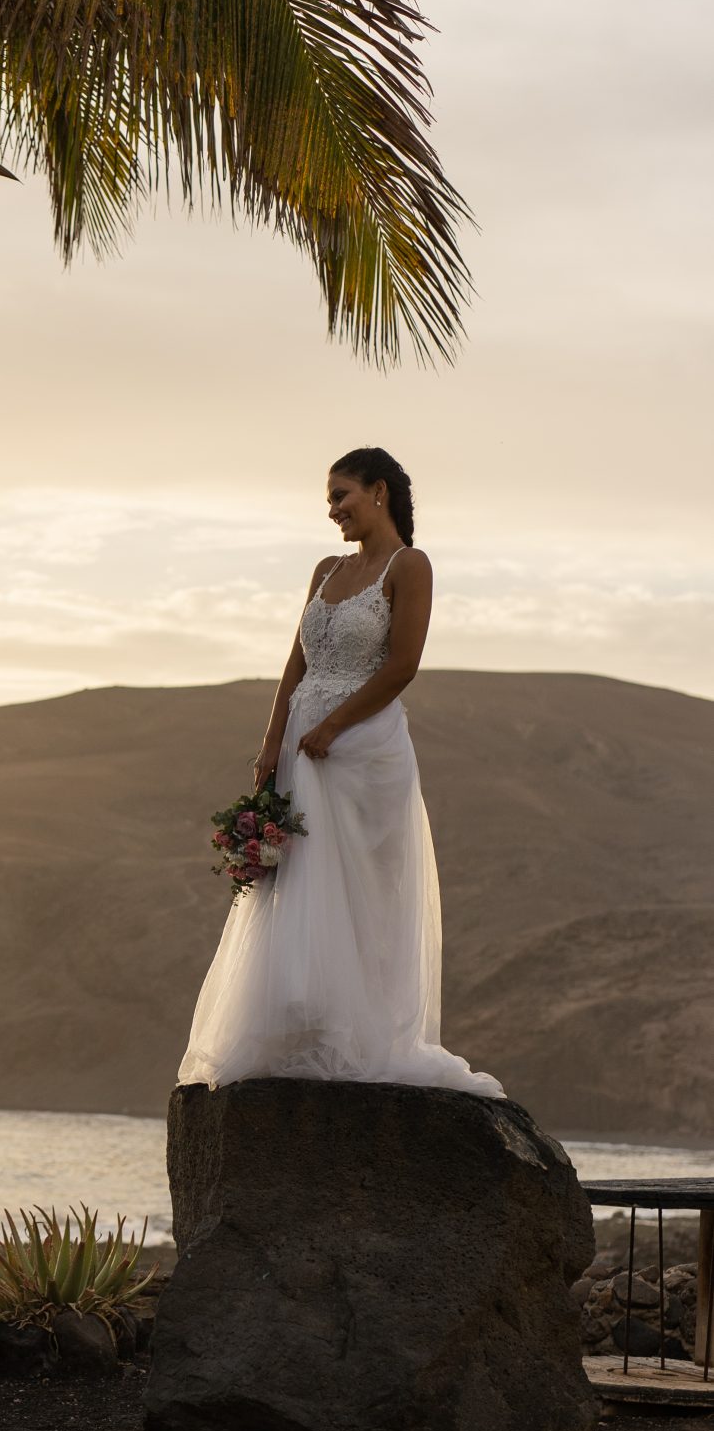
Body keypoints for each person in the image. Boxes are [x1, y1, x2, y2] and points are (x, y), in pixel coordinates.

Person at [178, 448, 502, 1096]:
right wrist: (273, 741)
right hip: (303, 738)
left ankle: (362, 1033)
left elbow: (402, 664)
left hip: (363, 746)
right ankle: (297, 1025)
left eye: (340, 496)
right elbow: (295, 659)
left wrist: (333, 726)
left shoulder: (409, 566)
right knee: (297, 876)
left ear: (377, 491)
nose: (332, 512)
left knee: (360, 883)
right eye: (328, 501)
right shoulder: (325, 570)